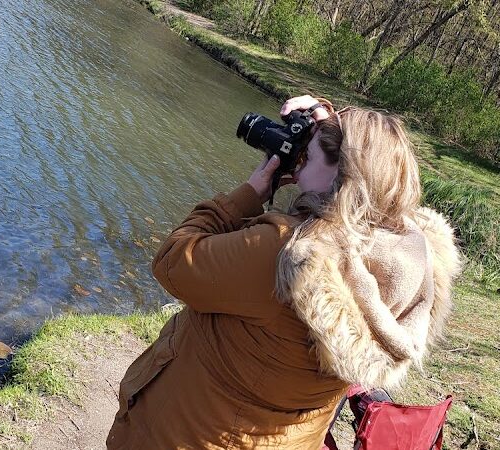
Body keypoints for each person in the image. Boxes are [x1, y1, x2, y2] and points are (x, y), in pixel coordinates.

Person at [106, 95, 462, 450]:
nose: (300, 162)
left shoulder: (287, 256)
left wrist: (249, 193)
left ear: (342, 172)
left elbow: (171, 263)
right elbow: (371, 162)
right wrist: (326, 118)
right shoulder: (408, 264)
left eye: (309, 155)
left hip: (192, 433)